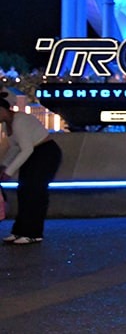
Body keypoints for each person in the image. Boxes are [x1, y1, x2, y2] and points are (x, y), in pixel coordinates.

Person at [0, 92, 63, 245]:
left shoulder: (19, 121)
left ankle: (33, 233)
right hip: (35, 154)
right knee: (24, 191)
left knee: (34, 192)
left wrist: (8, 172)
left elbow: (26, 149)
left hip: (45, 153)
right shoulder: (7, 124)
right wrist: (4, 165)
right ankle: (20, 231)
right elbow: (15, 147)